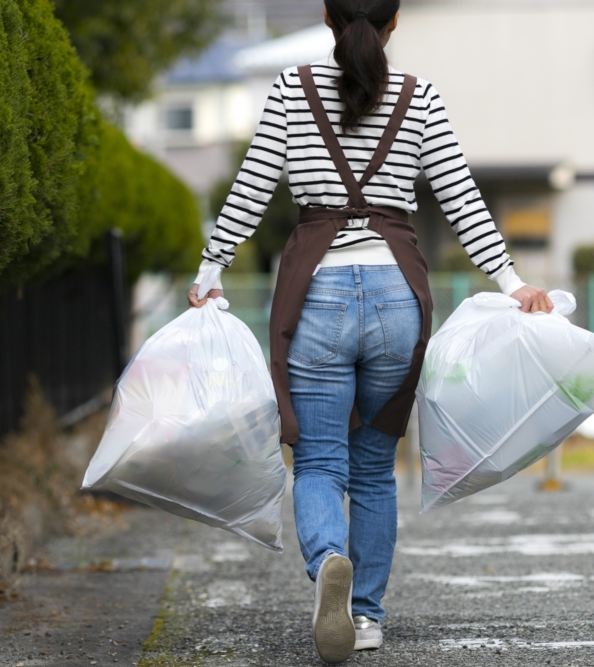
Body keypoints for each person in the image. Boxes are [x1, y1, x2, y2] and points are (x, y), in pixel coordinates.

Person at [189, 0, 553, 662]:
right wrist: (510, 282)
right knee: (376, 471)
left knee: (321, 460)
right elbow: (460, 196)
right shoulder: (420, 98)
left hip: (316, 292)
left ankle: (329, 556)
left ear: (327, 17)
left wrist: (211, 267)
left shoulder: (292, 91)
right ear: (393, 23)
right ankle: (368, 615)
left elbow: (251, 187)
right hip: (397, 294)